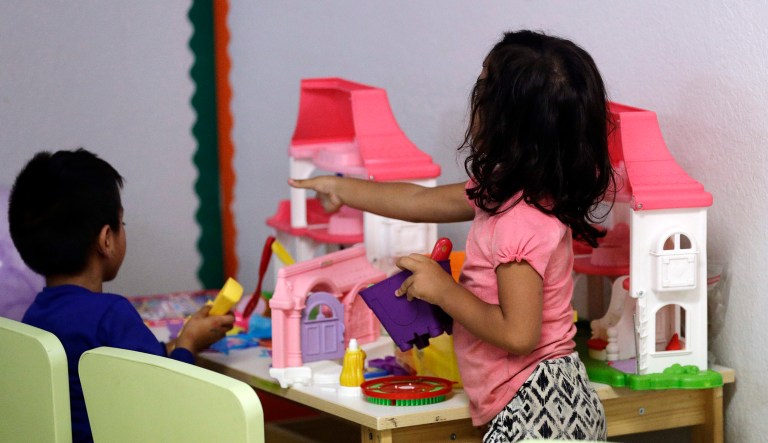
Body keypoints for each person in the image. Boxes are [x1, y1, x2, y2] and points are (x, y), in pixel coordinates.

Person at [290, 30, 614, 442]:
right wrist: (340, 188)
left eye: (483, 84)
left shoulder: (519, 219)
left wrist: (443, 290)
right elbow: (415, 199)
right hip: (544, 400)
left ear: (503, 120)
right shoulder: (508, 194)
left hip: (537, 408)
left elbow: (519, 335)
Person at [8, 148, 235, 443]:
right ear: (107, 240)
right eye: (122, 224)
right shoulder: (111, 314)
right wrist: (188, 344)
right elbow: (167, 396)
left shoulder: (34, 317)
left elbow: (134, 362)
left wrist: (175, 343)